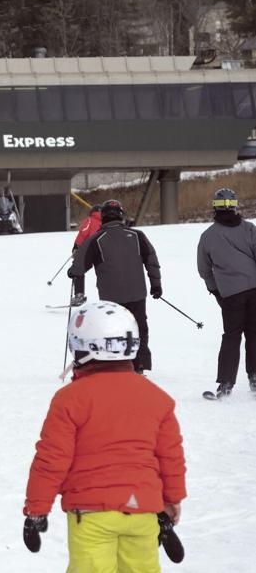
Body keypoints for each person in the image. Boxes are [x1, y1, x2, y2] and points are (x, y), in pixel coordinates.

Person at [23, 300, 186, 572]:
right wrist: (171, 499)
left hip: (91, 516)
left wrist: (37, 508)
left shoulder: (70, 400)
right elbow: (171, 457)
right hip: (142, 513)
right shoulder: (157, 399)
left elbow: (52, 460)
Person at [68, 199, 160, 374]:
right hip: (137, 294)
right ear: (121, 215)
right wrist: (156, 285)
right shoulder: (137, 236)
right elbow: (151, 260)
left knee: (115, 330)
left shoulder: (96, 240)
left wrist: (73, 272)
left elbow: (79, 266)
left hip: (111, 298)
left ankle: (118, 366)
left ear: (103, 218)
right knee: (139, 328)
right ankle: (139, 366)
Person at [197, 188, 256, 398]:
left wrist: (216, 291)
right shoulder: (249, 229)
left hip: (230, 295)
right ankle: (255, 378)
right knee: (254, 334)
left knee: (231, 337)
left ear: (215, 208)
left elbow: (204, 269)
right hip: (254, 289)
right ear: (235, 206)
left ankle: (226, 384)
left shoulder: (207, 236)